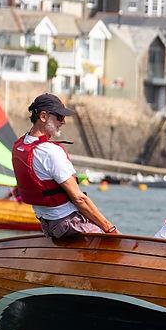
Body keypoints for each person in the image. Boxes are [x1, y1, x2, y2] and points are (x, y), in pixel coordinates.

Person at [13, 93, 118, 238]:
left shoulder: (21, 145)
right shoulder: (49, 152)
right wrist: (110, 229)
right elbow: (79, 199)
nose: (63, 122)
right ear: (43, 117)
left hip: (48, 225)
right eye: (59, 117)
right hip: (69, 224)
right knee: (114, 242)